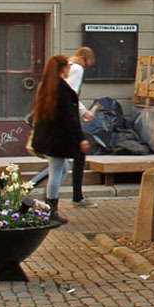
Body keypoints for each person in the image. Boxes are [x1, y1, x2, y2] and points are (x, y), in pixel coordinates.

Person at [30, 46, 96, 206]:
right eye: (67, 68)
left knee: (61, 168)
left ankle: (44, 198)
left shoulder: (46, 87)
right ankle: (51, 205)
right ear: (64, 69)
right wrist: (80, 138)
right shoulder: (63, 89)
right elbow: (69, 116)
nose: (70, 70)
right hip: (56, 139)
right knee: (57, 170)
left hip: (47, 137)